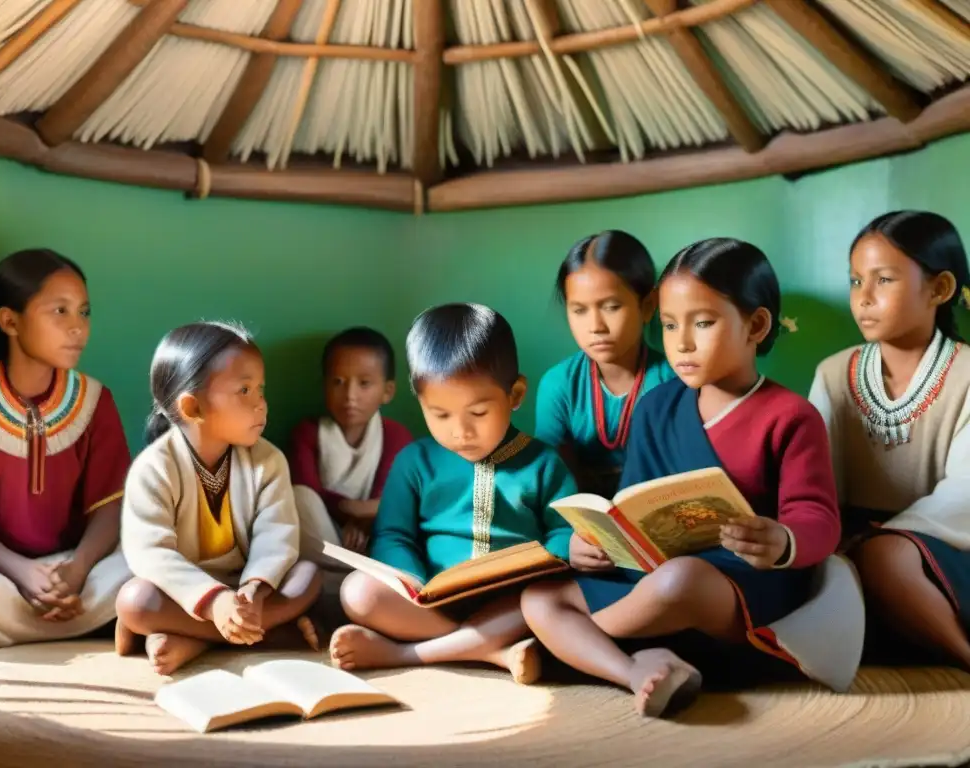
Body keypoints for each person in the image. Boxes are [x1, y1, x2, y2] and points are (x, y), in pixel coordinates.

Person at [522, 239, 848, 718]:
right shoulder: (657, 407)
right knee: (539, 595)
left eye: (703, 323)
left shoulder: (790, 416)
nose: (682, 343)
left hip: (738, 587)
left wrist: (781, 538)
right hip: (650, 577)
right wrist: (604, 541)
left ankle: (578, 641)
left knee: (681, 580)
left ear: (755, 325)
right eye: (670, 326)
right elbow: (634, 500)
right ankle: (635, 669)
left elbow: (818, 517)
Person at [329, 303, 576, 683]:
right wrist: (413, 584)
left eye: (477, 413)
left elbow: (564, 531)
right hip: (434, 605)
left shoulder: (543, 462)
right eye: (440, 415)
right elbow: (394, 534)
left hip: (512, 602)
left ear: (515, 394)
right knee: (357, 593)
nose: (460, 431)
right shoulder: (414, 461)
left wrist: (551, 557)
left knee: (551, 599)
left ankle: (406, 654)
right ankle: (488, 649)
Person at [809, 211, 970, 670]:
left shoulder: (967, 375)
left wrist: (891, 535)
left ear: (939, 289)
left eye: (883, 280)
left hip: (946, 544)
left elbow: (966, 492)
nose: (864, 298)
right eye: (856, 281)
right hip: (850, 538)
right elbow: (816, 478)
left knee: (884, 558)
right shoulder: (833, 373)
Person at [0, 249, 131, 646]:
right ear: (9, 321)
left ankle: (27, 622)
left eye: (84, 312)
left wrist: (78, 569)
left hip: (73, 570)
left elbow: (109, 508)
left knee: (141, 572)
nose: (78, 327)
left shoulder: (96, 400)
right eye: (59, 311)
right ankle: (71, 621)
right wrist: (23, 574)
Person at [115, 321, 321, 676]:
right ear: (193, 407)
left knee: (307, 576)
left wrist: (253, 590)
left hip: (248, 592)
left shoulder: (268, 460)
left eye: (261, 389)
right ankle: (267, 634)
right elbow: (150, 552)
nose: (261, 403)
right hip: (182, 595)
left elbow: (278, 536)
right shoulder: (154, 468)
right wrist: (213, 602)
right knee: (135, 601)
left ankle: (195, 641)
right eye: (244, 390)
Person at [536, 231, 675, 499]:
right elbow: (552, 478)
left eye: (611, 306)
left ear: (646, 306)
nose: (596, 327)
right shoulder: (558, 385)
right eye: (579, 310)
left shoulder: (674, 380)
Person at [290, 327, 412, 566]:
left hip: (371, 534)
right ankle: (355, 571)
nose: (349, 395)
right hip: (325, 533)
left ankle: (348, 574)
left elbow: (386, 497)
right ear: (324, 386)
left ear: (387, 391)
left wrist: (362, 519)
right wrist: (350, 509)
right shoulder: (307, 433)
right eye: (338, 382)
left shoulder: (396, 436)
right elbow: (310, 492)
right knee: (298, 497)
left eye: (364, 383)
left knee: (405, 509)